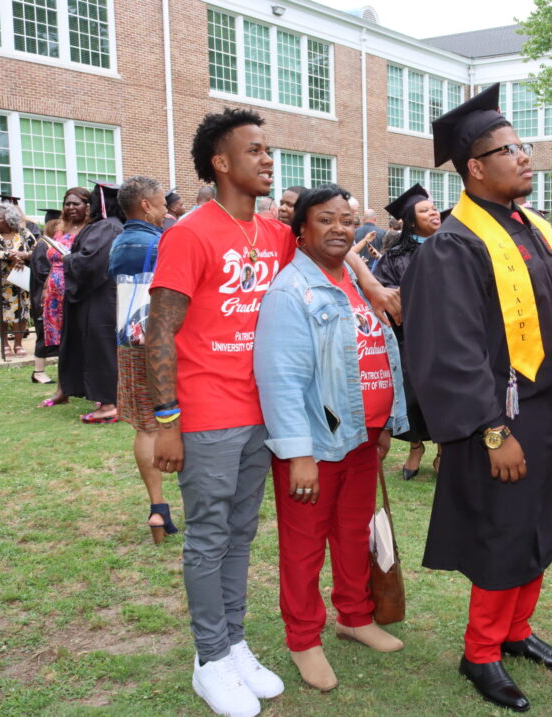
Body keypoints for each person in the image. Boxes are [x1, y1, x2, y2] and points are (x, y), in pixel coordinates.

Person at [146, 108, 397, 717]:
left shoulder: (273, 232)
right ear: (221, 162)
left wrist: (369, 284)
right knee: (207, 538)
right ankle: (209, 659)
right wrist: (167, 419)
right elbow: (158, 331)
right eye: (255, 150)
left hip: (263, 415)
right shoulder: (190, 233)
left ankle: (232, 645)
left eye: (269, 150)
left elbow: (332, 251)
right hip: (206, 414)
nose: (268, 160)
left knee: (238, 535)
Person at [402, 84, 552, 713]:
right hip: (499, 420)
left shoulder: (533, 229)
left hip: (551, 412)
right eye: (509, 149)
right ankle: (480, 652)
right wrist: (492, 432)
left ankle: (517, 633)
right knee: (502, 534)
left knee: (539, 525)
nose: (524, 156)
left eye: (522, 145)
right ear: (475, 167)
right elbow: (448, 354)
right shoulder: (453, 246)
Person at [254, 183, 409, 692]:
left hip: (361, 439)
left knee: (351, 531)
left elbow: (376, 356)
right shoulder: (290, 291)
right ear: (300, 230)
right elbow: (281, 380)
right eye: (326, 219)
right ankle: (303, 639)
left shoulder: (354, 284)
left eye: (346, 219)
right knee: (303, 546)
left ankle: (355, 615)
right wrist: (298, 454)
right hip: (316, 446)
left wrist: (384, 423)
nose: (340, 228)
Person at [109, 175, 179, 544]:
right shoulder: (161, 242)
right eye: (161, 203)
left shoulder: (118, 242)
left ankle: (157, 507)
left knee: (146, 428)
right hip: (166, 342)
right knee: (182, 419)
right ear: (146, 206)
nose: (167, 209)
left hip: (130, 343)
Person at [373, 183, 442, 479]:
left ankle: (444, 450)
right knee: (413, 394)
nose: (434, 213)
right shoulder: (395, 255)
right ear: (411, 220)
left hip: (446, 337)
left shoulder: (451, 245)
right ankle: (416, 446)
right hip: (410, 339)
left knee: (445, 394)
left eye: (434, 207)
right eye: (424, 210)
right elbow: (381, 291)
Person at [59, 181, 124, 424]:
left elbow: (90, 262)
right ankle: (113, 399)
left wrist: (68, 260)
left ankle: (109, 405)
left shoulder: (106, 227)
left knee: (101, 351)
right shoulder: (115, 225)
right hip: (108, 295)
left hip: (99, 299)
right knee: (107, 351)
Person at [38, 188, 91, 406]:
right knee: (61, 344)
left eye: (76, 203)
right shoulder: (60, 229)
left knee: (85, 340)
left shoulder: (92, 229)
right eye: (67, 203)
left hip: (77, 289)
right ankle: (62, 391)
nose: (70, 208)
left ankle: (95, 390)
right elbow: (53, 262)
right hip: (55, 291)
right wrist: (45, 289)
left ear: (87, 206)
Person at [0, 202, 36, 358]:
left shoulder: (24, 233)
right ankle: (4, 344)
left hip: (19, 280)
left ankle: (18, 344)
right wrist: (11, 256)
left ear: (9, 219)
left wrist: (24, 257)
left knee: (21, 311)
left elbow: (36, 251)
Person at [29, 208, 63, 385]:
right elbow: (42, 272)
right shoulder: (43, 245)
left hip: (53, 296)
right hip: (43, 297)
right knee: (43, 334)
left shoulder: (53, 244)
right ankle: (38, 371)